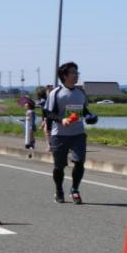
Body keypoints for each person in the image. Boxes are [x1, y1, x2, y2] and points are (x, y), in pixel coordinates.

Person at [41, 61, 98, 204]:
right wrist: (62, 120)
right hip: (59, 135)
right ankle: (59, 190)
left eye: (77, 72)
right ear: (64, 76)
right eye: (73, 72)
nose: (76, 75)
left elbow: (84, 110)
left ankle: (74, 189)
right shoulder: (56, 93)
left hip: (78, 134)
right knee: (59, 166)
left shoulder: (80, 92)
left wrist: (91, 117)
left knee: (79, 162)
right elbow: (47, 113)